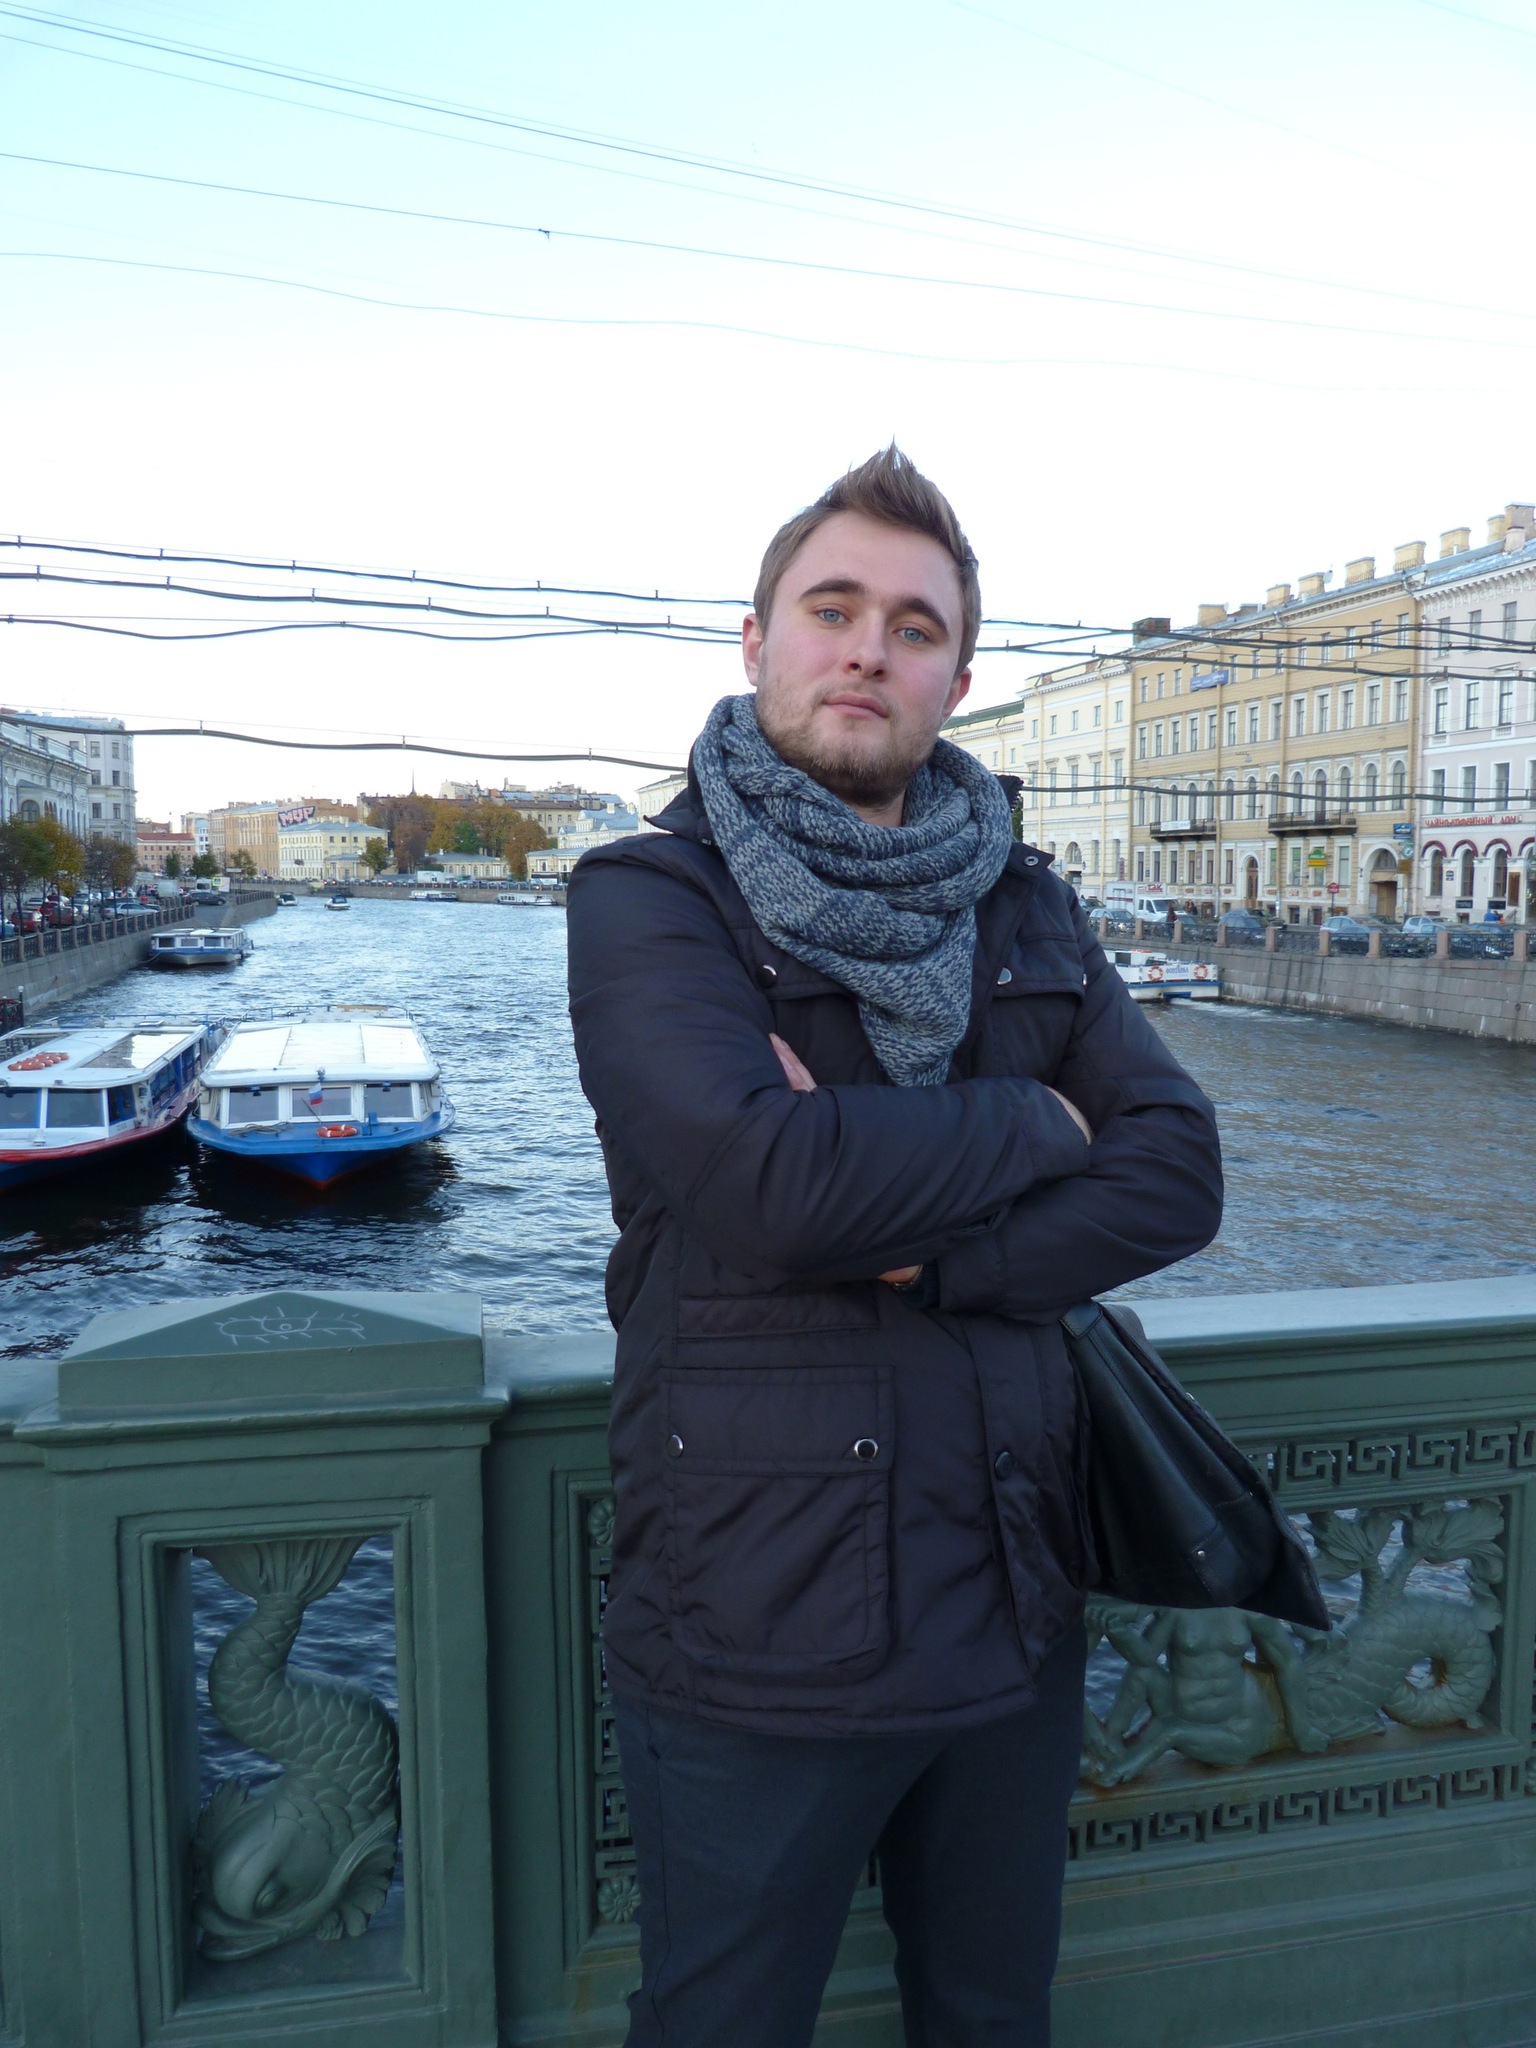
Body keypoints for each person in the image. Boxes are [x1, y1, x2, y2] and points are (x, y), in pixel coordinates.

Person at [565, 447, 1223, 2048]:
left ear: (957, 681)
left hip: (1013, 1596)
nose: (869, 649)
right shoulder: (651, 899)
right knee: (722, 2024)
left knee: (993, 2018)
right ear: (758, 641)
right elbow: (773, 1186)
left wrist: (938, 1260)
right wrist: (1041, 1121)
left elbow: (1179, 1172)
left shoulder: (1024, 903)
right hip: (757, 1623)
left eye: (914, 627)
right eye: (833, 609)